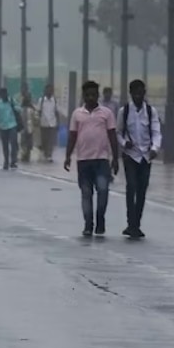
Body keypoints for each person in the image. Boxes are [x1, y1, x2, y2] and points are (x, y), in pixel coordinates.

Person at [65, 80, 121, 237]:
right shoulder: (77, 114)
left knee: (103, 190)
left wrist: (115, 158)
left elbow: (112, 135)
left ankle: (100, 219)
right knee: (86, 193)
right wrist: (68, 156)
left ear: (98, 96)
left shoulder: (106, 113)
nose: (90, 98)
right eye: (87, 95)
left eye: (93, 95)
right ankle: (88, 223)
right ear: (83, 96)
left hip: (101, 160)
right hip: (83, 161)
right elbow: (72, 136)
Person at [118, 79, 162, 239]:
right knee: (132, 187)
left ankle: (136, 223)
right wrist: (124, 143)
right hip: (131, 155)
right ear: (131, 94)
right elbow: (118, 132)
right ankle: (131, 223)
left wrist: (155, 148)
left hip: (145, 156)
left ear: (144, 93)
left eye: (140, 93)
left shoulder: (151, 112)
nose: (138, 96)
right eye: (135, 93)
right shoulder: (125, 111)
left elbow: (156, 132)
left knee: (142, 189)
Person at [0, 87, 21, 170]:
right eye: (2, 94)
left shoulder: (12, 101)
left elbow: (19, 109)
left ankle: (13, 161)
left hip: (12, 125)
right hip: (3, 126)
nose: (4, 95)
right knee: (5, 145)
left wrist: (13, 105)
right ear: (0, 95)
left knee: (13, 143)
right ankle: (6, 161)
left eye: (5, 93)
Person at [38, 84, 61, 162]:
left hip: (52, 123)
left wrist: (58, 123)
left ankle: (49, 155)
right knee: (44, 140)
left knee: (51, 141)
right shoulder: (41, 100)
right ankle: (45, 153)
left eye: (51, 90)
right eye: (48, 90)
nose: (49, 92)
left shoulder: (54, 100)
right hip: (43, 123)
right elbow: (39, 111)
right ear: (45, 91)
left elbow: (57, 112)